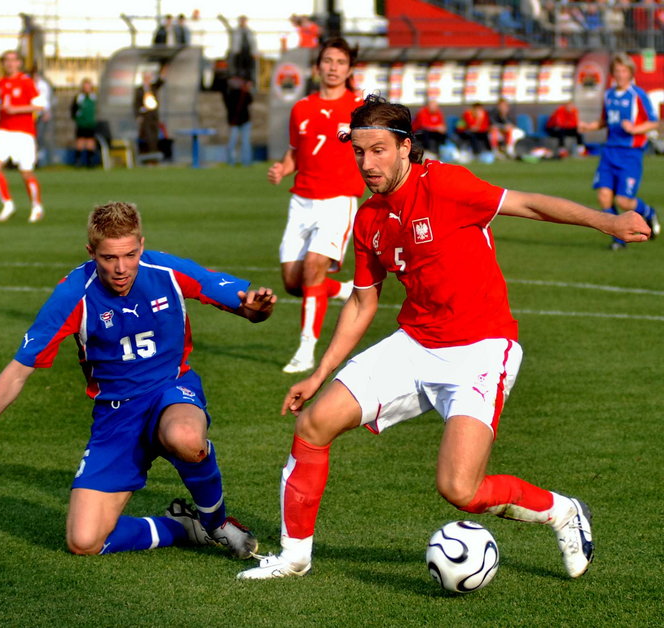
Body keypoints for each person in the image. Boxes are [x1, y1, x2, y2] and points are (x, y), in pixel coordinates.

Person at [237, 95, 652, 581]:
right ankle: (294, 557)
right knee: (313, 424)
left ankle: (562, 511)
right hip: (415, 343)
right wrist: (319, 373)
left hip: (480, 347)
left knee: (461, 488)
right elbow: (361, 303)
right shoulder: (369, 218)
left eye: (379, 151)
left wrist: (609, 221)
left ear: (405, 147)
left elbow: (528, 204)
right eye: (359, 153)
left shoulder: (448, 184)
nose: (367, 164)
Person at [0, 201, 277, 559]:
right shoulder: (73, 293)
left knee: (184, 437)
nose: (121, 268)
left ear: (141, 245)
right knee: (84, 541)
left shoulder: (167, 270)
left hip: (169, 392)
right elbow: (18, 371)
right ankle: (185, 527)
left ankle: (216, 522)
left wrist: (258, 308)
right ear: (91, 251)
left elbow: (248, 307)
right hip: (116, 416)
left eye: (129, 255)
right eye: (109, 257)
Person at [268, 38, 364, 374]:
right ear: (317, 67)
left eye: (340, 61)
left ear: (350, 69)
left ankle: (306, 349)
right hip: (301, 201)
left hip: (338, 201)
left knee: (313, 268)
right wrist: (283, 167)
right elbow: (296, 150)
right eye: (328, 60)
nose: (333, 67)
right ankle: (342, 289)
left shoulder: (361, 109)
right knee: (293, 282)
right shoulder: (302, 108)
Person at [579, 53, 660, 250]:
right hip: (609, 152)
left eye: (624, 70)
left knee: (624, 201)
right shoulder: (608, 95)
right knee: (604, 198)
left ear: (630, 72)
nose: (620, 74)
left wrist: (634, 129)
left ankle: (649, 213)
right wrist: (590, 126)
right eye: (617, 70)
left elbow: (654, 122)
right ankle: (619, 239)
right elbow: (605, 120)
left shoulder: (637, 95)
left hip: (630, 154)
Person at [0, 50, 45, 224]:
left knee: (26, 172)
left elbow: (40, 106)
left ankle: (37, 206)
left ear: (19, 63)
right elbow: (2, 104)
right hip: (4, 131)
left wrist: (16, 110)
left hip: (23, 133)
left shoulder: (26, 82)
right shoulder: (1, 82)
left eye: (13, 60)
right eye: (6, 60)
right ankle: (8, 203)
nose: (10, 63)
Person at [134, 70, 165, 161]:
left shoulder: (153, 87)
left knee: (155, 135)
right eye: (146, 77)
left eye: (149, 77)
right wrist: (138, 115)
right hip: (145, 116)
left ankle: (154, 156)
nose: (148, 79)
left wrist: (163, 73)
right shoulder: (139, 90)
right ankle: (150, 156)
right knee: (148, 136)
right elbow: (136, 104)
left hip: (154, 116)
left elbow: (160, 82)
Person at [224, 76, 253, 167]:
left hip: (243, 121)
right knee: (234, 142)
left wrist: (246, 91)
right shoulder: (231, 94)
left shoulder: (243, 93)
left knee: (245, 143)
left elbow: (250, 101)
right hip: (235, 122)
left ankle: (244, 162)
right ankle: (234, 162)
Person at [32, 63, 55, 167]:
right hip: (29, 114)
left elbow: (46, 100)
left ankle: (39, 160)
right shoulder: (29, 84)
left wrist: (46, 111)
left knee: (39, 138)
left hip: (39, 114)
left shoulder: (43, 86)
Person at [70, 77, 97, 167]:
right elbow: (73, 109)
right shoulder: (79, 98)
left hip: (91, 123)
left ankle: (90, 161)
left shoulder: (94, 97)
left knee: (90, 142)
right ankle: (78, 161)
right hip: (81, 123)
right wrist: (76, 118)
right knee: (80, 142)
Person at [229, 15, 257, 82]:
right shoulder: (235, 31)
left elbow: (253, 43)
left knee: (249, 70)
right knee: (238, 69)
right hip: (238, 53)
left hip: (248, 53)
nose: (242, 22)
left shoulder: (250, 31)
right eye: (241, 20)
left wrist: (254, 52)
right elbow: (233, 42)